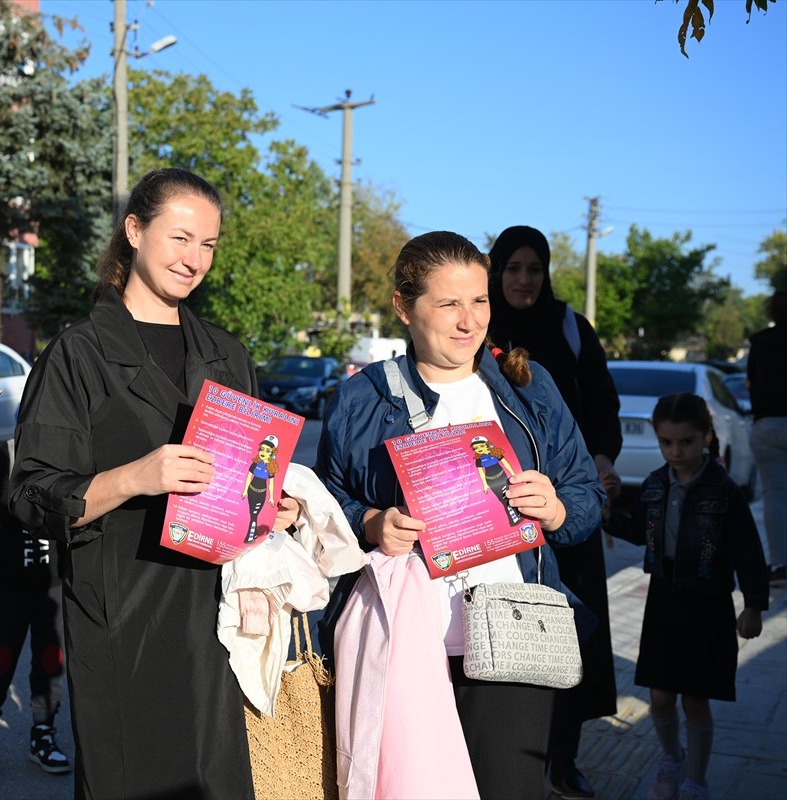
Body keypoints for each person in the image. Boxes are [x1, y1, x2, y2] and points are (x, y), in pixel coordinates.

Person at [9, 167, 299, 799]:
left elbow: (258, 464)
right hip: (125, 613)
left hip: (216, 618)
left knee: (216, 781)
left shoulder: (226, 353)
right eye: (181, 238)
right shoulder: (78, 353)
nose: (194, 260)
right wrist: (135, 477)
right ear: (135, 231)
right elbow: (31, 494)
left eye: (208, 245)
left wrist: (278, 504)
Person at [316, 231, 605, 799]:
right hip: (403, 636)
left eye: (479, 300)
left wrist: (555, 508)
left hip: (513, 633)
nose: (468, 321)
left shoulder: (528, 388)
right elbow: (323, 503)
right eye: (448, 303)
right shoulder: (362, 398)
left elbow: (585, 495)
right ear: (404, 307)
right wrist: (370, 523)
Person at [487, 225, 622, 798]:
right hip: (496, 509)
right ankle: (506, 757)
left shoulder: (571, 327)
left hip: (567, 508)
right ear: (496, 272)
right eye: (513, 269)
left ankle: (562, 758)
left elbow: (602, 405)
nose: (524, 280)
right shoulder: (478, 325)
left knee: (568, 634)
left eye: (534, 269)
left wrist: (600, 463)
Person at [605, 392, 768, 800]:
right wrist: (605, 515)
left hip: (708, 604)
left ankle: (696, 781)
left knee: (695, 700)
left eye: (686, 442)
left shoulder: (724, 491)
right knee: (660, 697)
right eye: (666, 442)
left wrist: (753, 605)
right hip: (663, 601)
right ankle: (670, 760)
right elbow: (637, 530)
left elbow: (748, 550)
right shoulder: (655, 484)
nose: (675, 452)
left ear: (707, 437)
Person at [0, 438, 69, 780]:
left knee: (51, 660)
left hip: (53, 580)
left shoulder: (70, 448)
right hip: (9, 581)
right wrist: (45, 499)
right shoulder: (8, 451)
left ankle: (43, 732)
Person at [747, 288, 786, 584]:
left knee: (774, 496)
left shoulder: (760, 342)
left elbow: (751, 382)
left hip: (767, 424)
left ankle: (780, 565)